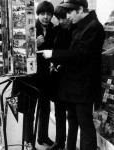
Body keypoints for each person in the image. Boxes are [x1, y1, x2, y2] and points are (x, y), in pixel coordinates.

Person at [42, 0, 106, 150]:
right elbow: (76, 55)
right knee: (72, 122)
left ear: (81, 9)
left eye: (70, 12)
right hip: (74, 85)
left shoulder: (94, 27)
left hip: (83, 87)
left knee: (85, 126)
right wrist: (61, 64)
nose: (68, 16)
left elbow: (80, 54)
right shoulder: (82, 26)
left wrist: (53, 54)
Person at [11, 1, 55, 150]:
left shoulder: (53, 29)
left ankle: (42, 136)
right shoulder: (29, 27)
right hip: (30, 78)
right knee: (30, 111)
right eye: (43, 14)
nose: (46, 17)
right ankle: (28, 142)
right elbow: (17, 52)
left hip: (46, 77)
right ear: (38, 14)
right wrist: (34, 44)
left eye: (49, 14)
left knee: (45, 108)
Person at [46, 3, 76, 150]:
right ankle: (59, 141)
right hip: (56, 78)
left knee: (71, 114)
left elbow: (74, 55)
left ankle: (70, 145)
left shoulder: (75, 31)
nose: (61, 21)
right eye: (58, 18)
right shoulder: (56, 30)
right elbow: (49, 49)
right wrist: (53, 64)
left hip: (69, 77)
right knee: (58, 112)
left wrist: (61, 65)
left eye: (63, 17)